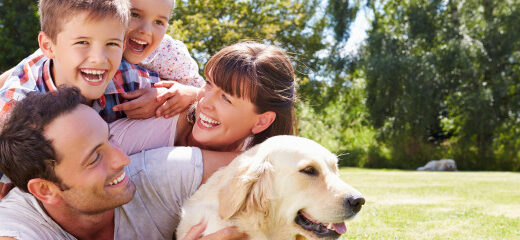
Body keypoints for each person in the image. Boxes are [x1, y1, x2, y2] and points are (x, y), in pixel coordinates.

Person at [0, 87, 245, 240]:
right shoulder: (17, 226)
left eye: (110, 139)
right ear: (45, 189)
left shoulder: (153, 174)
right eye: (94, 158)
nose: (123, 159)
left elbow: (268, 167)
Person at [113, 41, 297, 153]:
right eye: (208, 83)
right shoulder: (165, 114)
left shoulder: (260, 174)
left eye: (226, 98)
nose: (204, 102)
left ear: (262, 122)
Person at [115, 0, 205, 119]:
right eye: (135, 15)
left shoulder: (168, 53)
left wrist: (186, 94)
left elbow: (202, 90)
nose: (146, 30)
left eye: (158, 22)